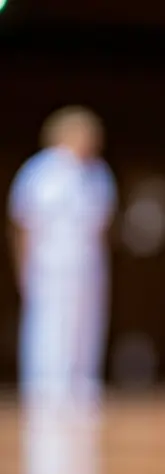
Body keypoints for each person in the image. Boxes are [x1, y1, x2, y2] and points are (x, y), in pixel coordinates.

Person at [7, 106, 116, 411]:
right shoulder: (41, 171)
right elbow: (23, 224)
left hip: (88, 263)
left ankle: (81, 382)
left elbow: (103, 225)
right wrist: (24, 266)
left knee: (86, 322)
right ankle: (46, 385)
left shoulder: (98, 174)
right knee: (51, 323)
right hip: (50, 263)